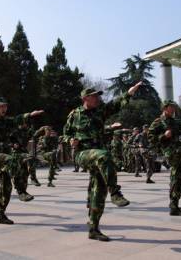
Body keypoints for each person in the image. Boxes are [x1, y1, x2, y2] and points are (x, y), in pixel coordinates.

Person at [64, 82, 142, 242]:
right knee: (105, 155)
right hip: (83, 154)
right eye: (94, 96)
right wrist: (70, 140)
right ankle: (115, 192)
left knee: (99, 191)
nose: (98, 98)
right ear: (86, 98)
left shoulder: (101, 110)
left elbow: (116, 103)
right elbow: (65, 134)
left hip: (99, 157)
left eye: (98, 96)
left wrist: (130, 92)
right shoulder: (75, 114)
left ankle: (94, 228)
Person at [0, 97, 44, 225]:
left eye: (5, 106)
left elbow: (18, 119)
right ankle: (21, 191)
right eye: (1, 106)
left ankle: (0, 214)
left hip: (7, 153)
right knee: (11, 160)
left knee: (7, 184)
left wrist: (30, 115)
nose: (4, 109)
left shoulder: (8, 121)